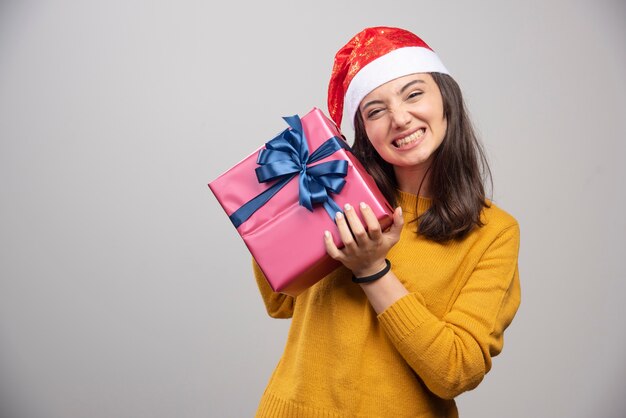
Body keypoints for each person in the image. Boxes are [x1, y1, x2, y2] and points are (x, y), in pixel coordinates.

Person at [252, 26, 521, 418]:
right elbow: (280, 301)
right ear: (363, 131)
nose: (399, 118)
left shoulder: (494, 232)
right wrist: (280, 204)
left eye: (414, 93)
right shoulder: (334, 193)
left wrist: (372, 269)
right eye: (375, 110)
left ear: (446, 100)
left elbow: (455, 372)